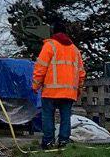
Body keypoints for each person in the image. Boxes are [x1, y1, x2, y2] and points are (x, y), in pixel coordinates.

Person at [32, 18, 85, 149]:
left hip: (51, 91)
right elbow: (81, 72)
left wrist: (35, 85)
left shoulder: (49, 46)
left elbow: (40, 68)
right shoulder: (75, 50)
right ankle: (64, 142)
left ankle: (48, 142)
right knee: (65, 117)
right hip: (69, 92)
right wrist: (79, 89)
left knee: (48, 116)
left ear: (53, 32)